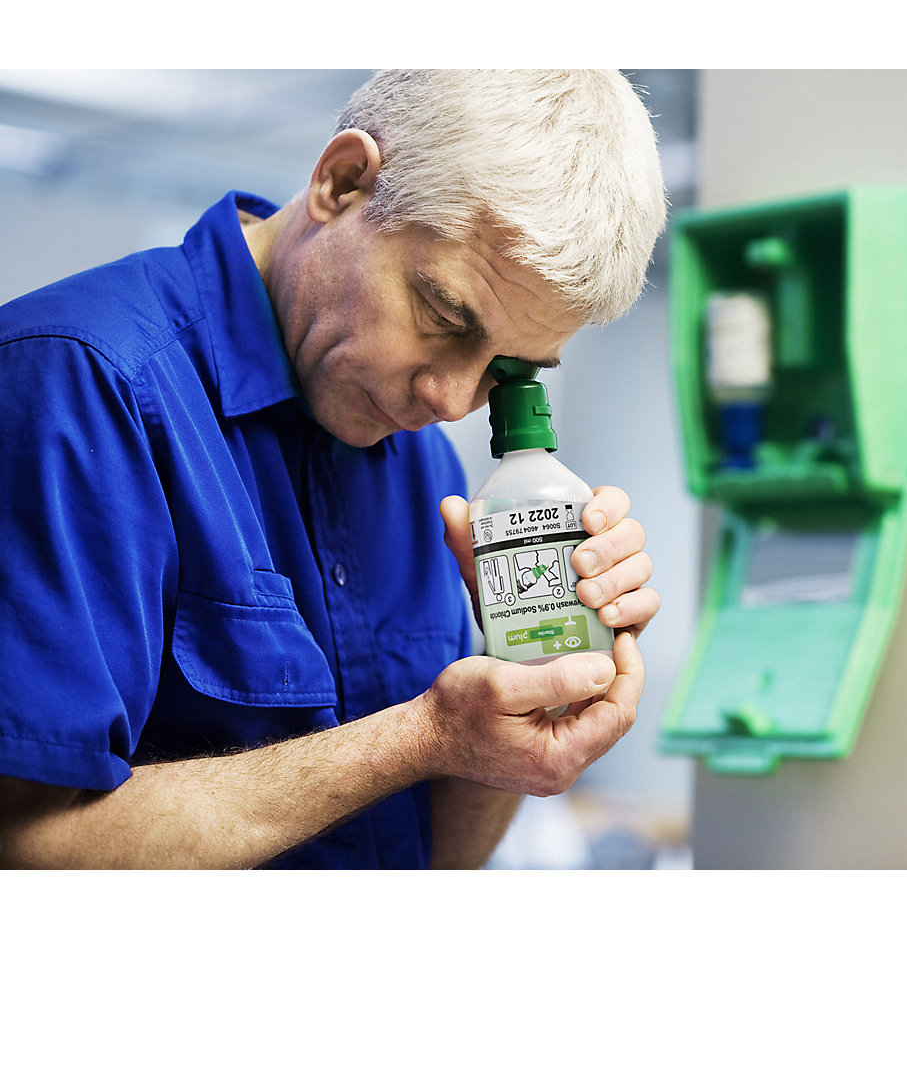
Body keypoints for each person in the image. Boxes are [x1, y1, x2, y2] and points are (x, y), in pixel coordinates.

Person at [0, 69, 668, 869]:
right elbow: (29, 852)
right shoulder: (77, 383)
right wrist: (421, 737)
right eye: (444, 316)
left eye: (510, 369)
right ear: (342, 183)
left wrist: (528, 680)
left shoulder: (417, 455)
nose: (453, 400)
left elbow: (431, 863)